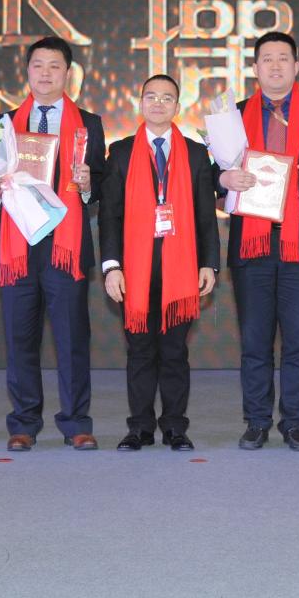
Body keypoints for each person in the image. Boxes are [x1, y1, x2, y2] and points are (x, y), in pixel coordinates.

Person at [215, 31, 299, 451]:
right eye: (266, 58)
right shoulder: (233, 117)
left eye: (283, 58)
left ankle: (294, 422)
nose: (275, 65)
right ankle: (256, 421)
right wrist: (224, 179)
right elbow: (211, 174)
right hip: (252, 243)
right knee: (254, 340)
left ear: (296, 66)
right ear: (255, 68)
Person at [0, 37, 107, 451]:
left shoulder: (89, 124)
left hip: (65, 247)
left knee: (72, 340)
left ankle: (76, 423)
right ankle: (23, 423)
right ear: (27, 71)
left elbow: (102, 182)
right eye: (38, 65)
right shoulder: (5, 124)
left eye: (54, 66)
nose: (45, 73)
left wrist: (89, 184)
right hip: (19, 247)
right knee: (20, 339)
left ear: (67, 73)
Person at [98, 74, 220, 452]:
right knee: (140, 352)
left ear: (177, 107)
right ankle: (139, 428)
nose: (158, 103)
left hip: (181, 269)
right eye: (151, 96)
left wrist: (209, 264)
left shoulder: (195, 153)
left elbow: (205, 215)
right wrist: (111, 267)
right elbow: (109, 215)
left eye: (167, 98)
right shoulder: (120, 152)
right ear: (140, 103)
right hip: (134, 271)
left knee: (174, 352)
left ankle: (175, 427)